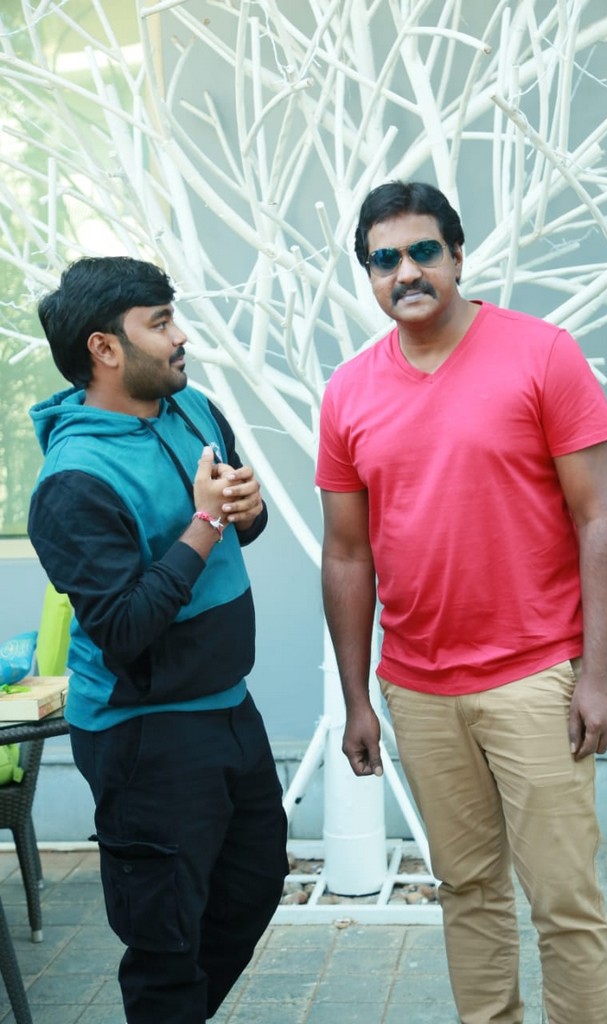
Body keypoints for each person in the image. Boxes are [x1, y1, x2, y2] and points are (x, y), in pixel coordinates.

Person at [316, 181, 607, 1024]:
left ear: (457, 255)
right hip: (418, 689)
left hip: (536, 676)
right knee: (468, 891)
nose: (406, 272)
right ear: (368, 275)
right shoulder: (349, 391)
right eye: (385, 260)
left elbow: (601, 518)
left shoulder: (542, 354)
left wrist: (599, 673)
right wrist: (356, 698)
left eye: (424, 251)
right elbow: (346, 553)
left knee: (564, 899)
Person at [27, 256, 289, 1024]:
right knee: (165, 943)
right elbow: (123, 630)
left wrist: (245, 509)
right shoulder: (73, 481)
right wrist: (205, 522)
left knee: (252, 885)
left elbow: (238, 526)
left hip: (228, 705)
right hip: (143, 734)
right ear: (105, 348)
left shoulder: (194, 408)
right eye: (161, 323)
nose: (181, 337)